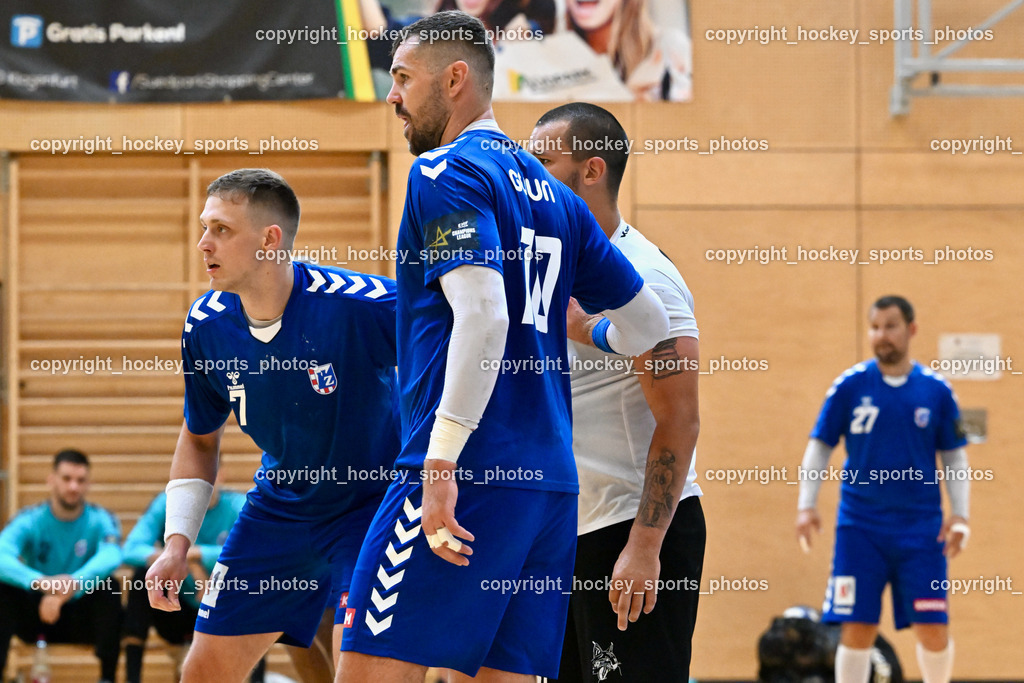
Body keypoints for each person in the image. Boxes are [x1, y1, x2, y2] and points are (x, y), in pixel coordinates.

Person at [337, 11, 669, 682]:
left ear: (455, 78)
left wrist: (439, 463)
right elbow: (651, 324)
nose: (392, 95)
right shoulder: (556, 195)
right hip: (549, 489)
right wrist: (594, 331)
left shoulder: (444, 172)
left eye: (402, 78)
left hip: (466, 474)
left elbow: (483, 314)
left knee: (371, 673)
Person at [145, 168, 401, 683]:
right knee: (202, 673)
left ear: (269, 240)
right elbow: (199, 437)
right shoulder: (206, 325)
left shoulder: (362, 305)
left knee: (359, 670)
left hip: (371, 508)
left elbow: (460, 346)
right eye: (204, 227)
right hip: (280, 509)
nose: (203, 243)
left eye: (221, 230)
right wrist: (176, 544)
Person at [529, 103, 704, 683]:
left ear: (592, 170)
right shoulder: (548, 268)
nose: (529, 178)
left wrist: (646, 546)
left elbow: (679, 420)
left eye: (544, 162)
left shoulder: (644, 278)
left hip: (633, 528)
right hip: (569, 530)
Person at [795, 296, 970, 683]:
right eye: (875, 327)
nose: (881, 335)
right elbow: (819, 445)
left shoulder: (936, 391)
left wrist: (960, 516)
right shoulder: (850, 385)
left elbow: (955, 457)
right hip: (860, 529)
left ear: (911, 330)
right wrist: (806, 506)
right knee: (856, 627)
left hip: (922, 531)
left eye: (890, 326)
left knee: (932, 626)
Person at [0, 449, 123, 683]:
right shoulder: (30, 519)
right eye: (67, 479)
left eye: (80, 480)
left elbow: (113, 554)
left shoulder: (100, 519)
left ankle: (108, 678)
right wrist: (40, 581)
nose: (73, 487)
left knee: (111, 588)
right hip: (37, 615)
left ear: (88, 484)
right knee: (3, 591)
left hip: (80, 614)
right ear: (51, 480)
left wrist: (74, 584)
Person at [121, 484, 247, 683]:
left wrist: (194, 554)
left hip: (223, 609)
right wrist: (185, 561)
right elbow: (130, 549)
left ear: (219, 473)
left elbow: (253, 553)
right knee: (142, 577)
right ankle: (132, 678)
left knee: (251, 579)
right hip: (175, 610)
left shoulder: (238, 505)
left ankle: (256, 678)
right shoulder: (166, 504)